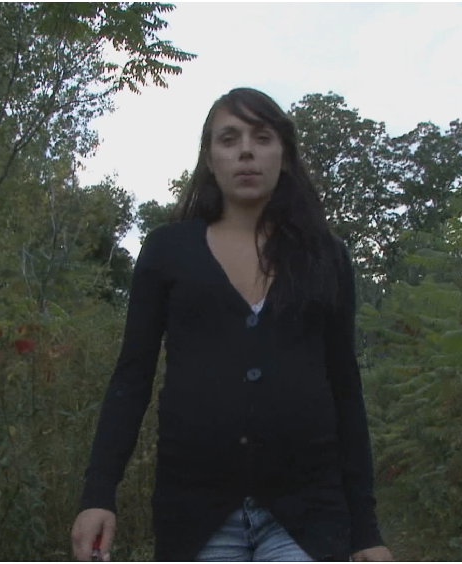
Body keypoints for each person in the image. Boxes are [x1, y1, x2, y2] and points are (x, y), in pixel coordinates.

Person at [71, 87, 394, 562]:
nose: (246, 151)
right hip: (195, 513)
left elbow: (345, 388)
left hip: (307, 513)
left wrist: (366, 530)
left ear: (284, 156)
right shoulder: (167, 251)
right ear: (209, 158)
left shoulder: (326, 256)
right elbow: (132, 378)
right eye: (229, 138)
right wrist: (98, 493)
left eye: (262, 138)